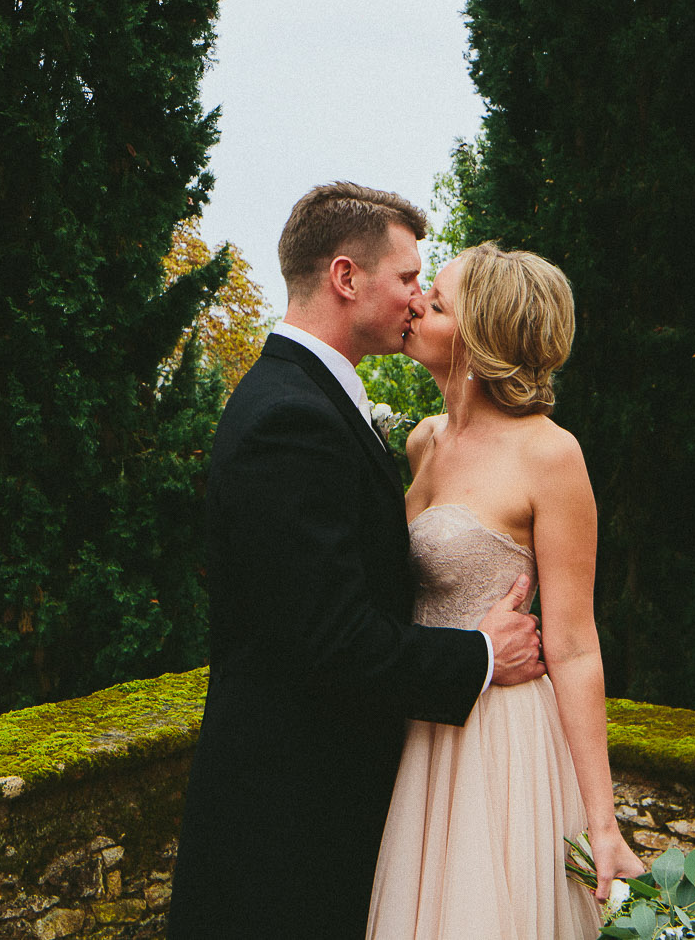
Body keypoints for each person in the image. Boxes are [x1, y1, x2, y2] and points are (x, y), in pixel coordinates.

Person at [169, 185, 549, 940]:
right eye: (409, 278)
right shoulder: (290, 418)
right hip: (285, 831)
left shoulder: (312, 399)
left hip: (324, 807)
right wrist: (479, 653)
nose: (418, 298)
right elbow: (335, 639)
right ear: (347, 277)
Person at [367, 241, 646, 940]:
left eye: (433, 302)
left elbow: (576, 645)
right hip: (421, 725)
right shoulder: (423, 441)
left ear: (479, 338)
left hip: (498, 742)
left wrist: (602, 822)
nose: (414, 305)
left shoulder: (549, 454)